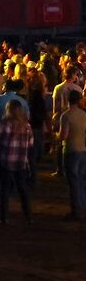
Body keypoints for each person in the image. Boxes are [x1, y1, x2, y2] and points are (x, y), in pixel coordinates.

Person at [0, 99, 34, 225]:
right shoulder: (26, 125)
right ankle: (28, 216)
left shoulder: (5, 123)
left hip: (6, 159)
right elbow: (31, 143)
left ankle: (4, 218)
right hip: (21, 160)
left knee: (4, 189)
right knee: (23, 189)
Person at [58, 88, 86, 220]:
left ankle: (76, 211)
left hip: (71, 150)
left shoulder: (66, 116)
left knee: (73, 182)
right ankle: (81, 206)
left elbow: (64, 135)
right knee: (81, 181)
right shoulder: (83, 115)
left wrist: (56, 135)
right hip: (82, 149)